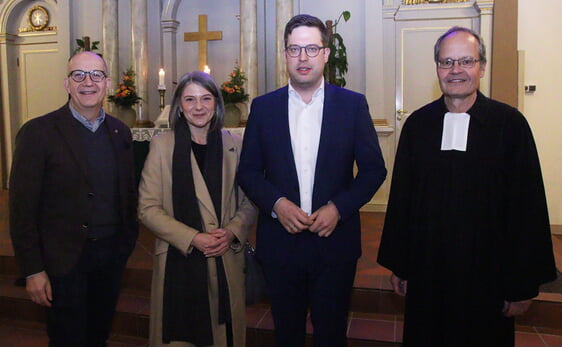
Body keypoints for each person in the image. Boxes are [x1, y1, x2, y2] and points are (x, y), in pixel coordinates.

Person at [377, 26, 557, 345]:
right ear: (437, 68)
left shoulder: (510, 126)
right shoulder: (418, 125)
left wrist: (521, 285)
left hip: (488, 279)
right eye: (447, 62)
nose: (456, 70)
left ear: (482, 66)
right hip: (428, 273)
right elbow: (403, 200)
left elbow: (527, 208)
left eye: (466, 61)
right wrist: (400, 265)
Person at [237, 14, 386, 346]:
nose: (303, 57)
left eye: (311, 48)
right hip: (280, 244)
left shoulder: (352, 105)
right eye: (294, 49)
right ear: (285, 54)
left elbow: (374, 169)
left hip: (334, 243)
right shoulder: (264, 108)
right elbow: (248, 171)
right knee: (286, 335)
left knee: (331, 334)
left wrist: (338, 208)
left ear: (326, 53)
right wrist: (277, 204)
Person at [9, 51, 139, 346]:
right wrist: (32, 269)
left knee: (98, 335)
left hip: (110, 258)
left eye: (96, 75)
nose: (88, 82)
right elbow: (21, 209)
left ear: (107, 83)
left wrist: (124, 246)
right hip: (62, 262)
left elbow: (128, 195)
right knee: (67, 338)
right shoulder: (38, 132)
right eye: (78, 75)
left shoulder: (120, 132)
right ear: (67, 84)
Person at [138, 71, 257, 347]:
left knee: (224, 335)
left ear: (217, 103)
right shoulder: (161, 145)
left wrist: (231, 232)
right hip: (179, 258)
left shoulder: (235, 145)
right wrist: (193, 237)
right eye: (190, 99)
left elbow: (250, 201)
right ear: (179, 105)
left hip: (225, 255)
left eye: (206, 98)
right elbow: (147, 207)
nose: (198, 107)